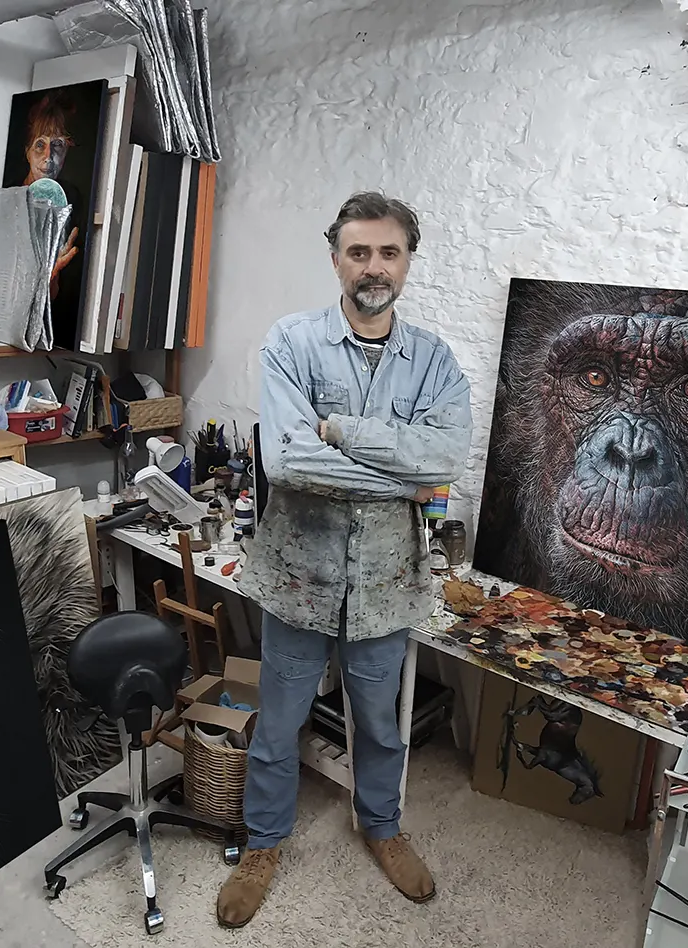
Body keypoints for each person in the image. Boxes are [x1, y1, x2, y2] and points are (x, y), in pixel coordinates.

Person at [216, 192, 473, 928]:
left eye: (388, 252)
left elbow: (446, 457)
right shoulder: (292, 342)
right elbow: (288, 462)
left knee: (381, 723)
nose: (373, 266)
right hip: (299, 569)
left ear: (407, 263)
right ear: (335, 259)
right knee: (280, 721)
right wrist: (407, 471)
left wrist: (342, 431)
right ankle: (264, 843)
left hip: (388, 577)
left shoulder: (433, 359)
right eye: (358, 251)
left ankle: (382, 828)